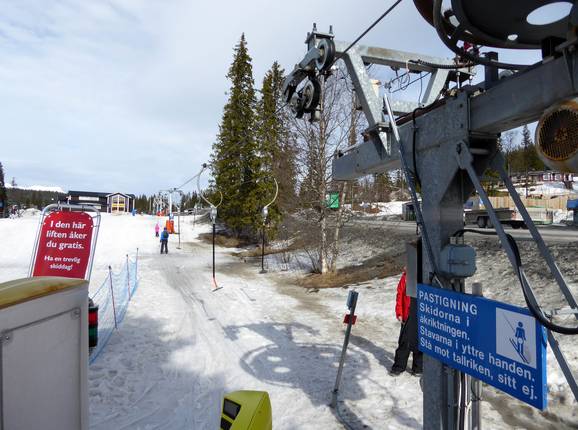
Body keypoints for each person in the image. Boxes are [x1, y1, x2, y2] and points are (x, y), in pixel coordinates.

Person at [390, 268, 423, 376]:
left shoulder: (425, 276)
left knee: (420, 342)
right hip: (408, 315)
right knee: (405, 342)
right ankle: (399, 367)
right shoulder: (406, 277)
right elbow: (399, 295)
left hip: (421, 315)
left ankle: (418, 368)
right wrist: (399, 312)